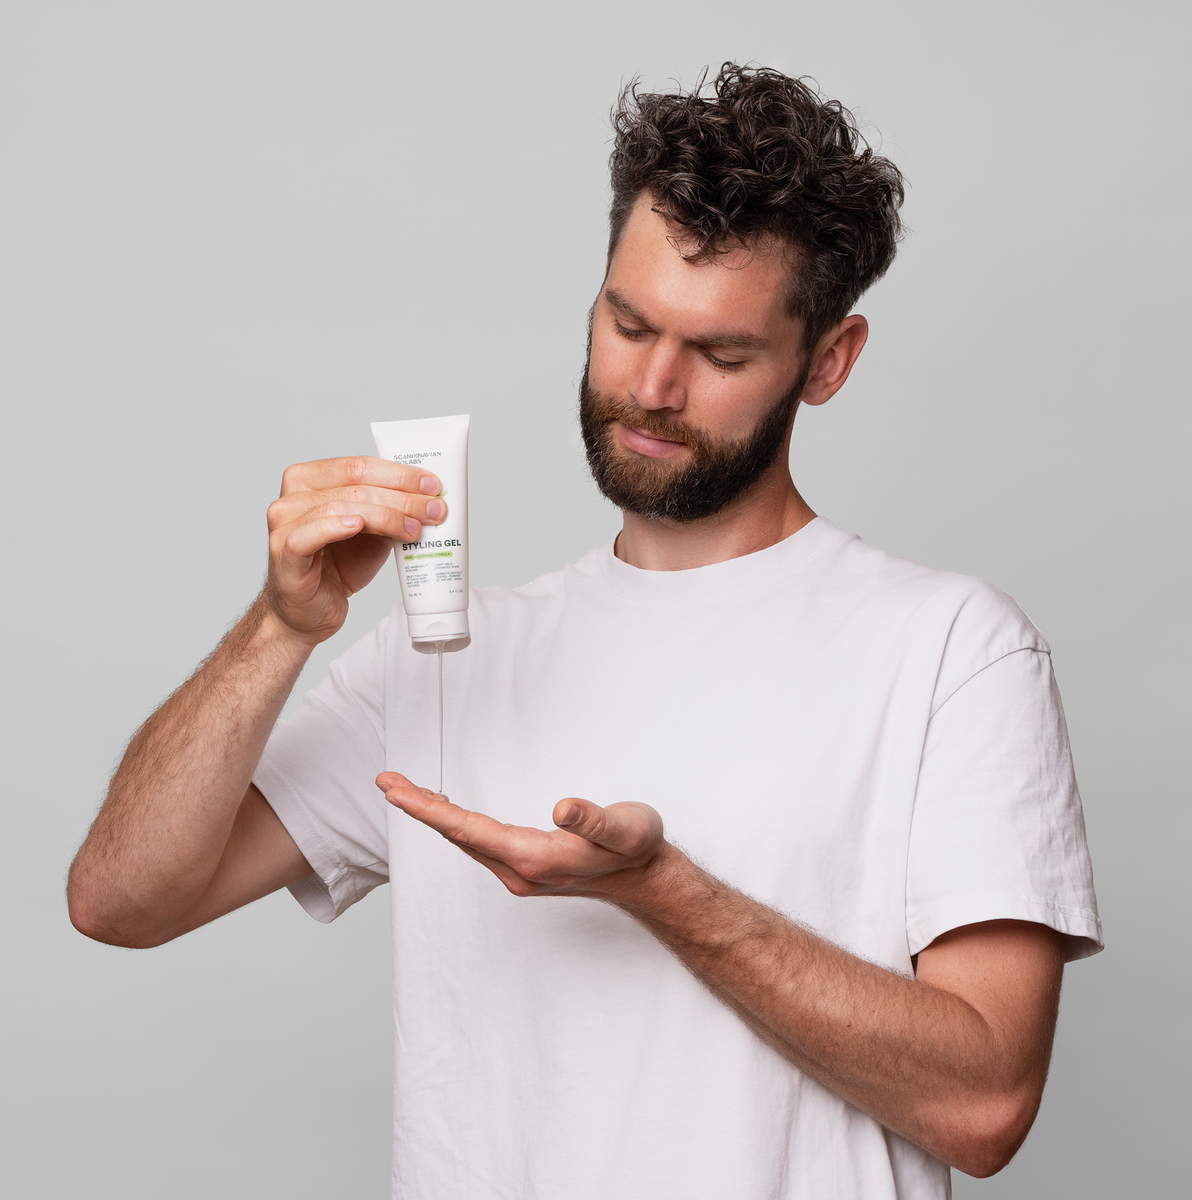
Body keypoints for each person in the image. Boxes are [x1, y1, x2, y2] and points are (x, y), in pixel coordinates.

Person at [68, 64, 1101, 1199]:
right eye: (628, 322)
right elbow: (121, 902)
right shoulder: (445, 660)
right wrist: (280, 628)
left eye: (720, 354)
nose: (652, 386)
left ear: (830, 362)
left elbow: (986, 1104)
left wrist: (661, 890)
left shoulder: (952, 649)